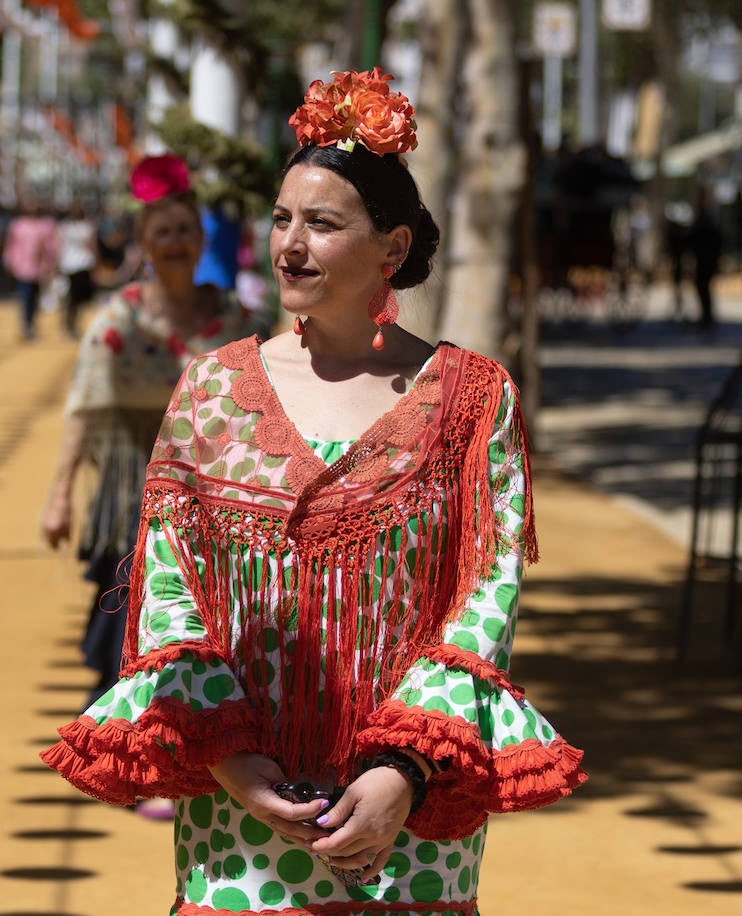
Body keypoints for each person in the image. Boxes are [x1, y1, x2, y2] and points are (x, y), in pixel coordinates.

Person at [42, 69, 586, 912]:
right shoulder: (212, 392)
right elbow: (168, 588)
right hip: (242, 808)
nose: (289, 245)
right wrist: (226, 757)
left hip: (405, 808)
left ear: (392, 249)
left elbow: (488, 594)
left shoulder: (475, 400)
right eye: (282, 219)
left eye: (323, 224)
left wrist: (403, 768)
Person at [40, 153, 275, 817]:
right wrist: (60, 493)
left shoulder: (230, 316)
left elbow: (261, 406)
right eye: (161, 232)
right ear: (143, 245)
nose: (174, 243)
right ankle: (135, 755)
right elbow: (84, 405)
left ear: (202, 240)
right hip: (133, 490)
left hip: (211, 491)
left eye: (184, 231)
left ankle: (190, 752)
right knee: (131, 616)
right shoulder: (118, 318)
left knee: (206, 624)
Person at [3, 198, 59, 341]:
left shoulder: (45, 225)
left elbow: (51, 247)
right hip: (22, 267)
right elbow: (11, 245)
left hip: (39, 269)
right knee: (25, 296)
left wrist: (51, 264)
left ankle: (32, 322)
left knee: (35, 298)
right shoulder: (18, 225)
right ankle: (26, 325)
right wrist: (9, 261)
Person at [56, 201, 98, 339]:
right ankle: (69, 324)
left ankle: (71, 324)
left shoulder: (66, 227)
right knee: (74, 298)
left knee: (76, 298)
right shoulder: (81, 227)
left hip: (79, 264)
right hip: (73, 265)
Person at [690, 184, 724, 331]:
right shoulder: (703, 215)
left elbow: (714, 239)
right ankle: (706, 316)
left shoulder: (707, 216)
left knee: (704, 287)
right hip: (703, 258)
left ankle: (707, 317)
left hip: (706, 259)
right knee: (702, 287)